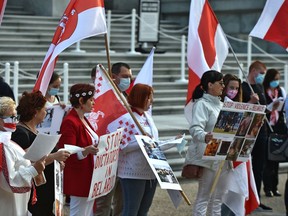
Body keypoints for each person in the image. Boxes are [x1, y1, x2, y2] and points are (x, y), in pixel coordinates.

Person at [11, 91, 70, 216]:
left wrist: (57, 163)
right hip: (35, 193)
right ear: (35, 112)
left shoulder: (33, 130)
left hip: (45, 192)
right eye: (44, 109)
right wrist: (54, 157)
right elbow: (27, 163)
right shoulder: (21, 134)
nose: (46, 112)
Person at [184, 70, 230, 215]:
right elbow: (195, 128)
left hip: (224, 154)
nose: (223, 86)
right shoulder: (202, 104)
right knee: (204, 197)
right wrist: (205, 136)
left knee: (218, 198)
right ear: (210, 85)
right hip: (209, 154)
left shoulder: (223, 105)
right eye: (220, 83)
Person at [57, 83, 99, 216]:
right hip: (79, 177)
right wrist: (85, 151)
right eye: (91, 100)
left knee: (87, 212)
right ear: (81, 101)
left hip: (88, 174)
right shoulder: (70, 121)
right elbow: (67, 153)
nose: (94, 103)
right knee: (79, 213)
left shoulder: (83, 119)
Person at [118, 83, 159, 216]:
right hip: (132, 171)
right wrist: (142, 141)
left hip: (150, 169)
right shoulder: (126, 119)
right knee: (131, 210)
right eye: (149, 97)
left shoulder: (147, 117)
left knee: (143, 210)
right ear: (140, 97)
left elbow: (153, 141)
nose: (151, 101)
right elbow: (122, 147)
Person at [0, 96, 46, 216]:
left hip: (17, 204)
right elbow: (8, 180)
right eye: (11, 117)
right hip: (9, 205)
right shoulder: (2, 145)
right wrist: (33, 169)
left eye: (16, 116)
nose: (15, 121)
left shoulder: (8, 142)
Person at [242, 60, 272, 211]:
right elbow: (241, 110)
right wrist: (250, 101)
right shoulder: (243, 87)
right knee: (246, 167)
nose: (262, 76)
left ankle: (257, 199)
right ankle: (245, 199)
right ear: (253, 70)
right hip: (248, 132)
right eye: (260, 73)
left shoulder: (259, 87)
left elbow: (264, 107)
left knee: (259, 166)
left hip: (262, 131)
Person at [262, 68, 287, 197]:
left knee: (277, 159)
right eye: (274, 79)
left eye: (278, 79)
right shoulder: (264, 90)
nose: (276, 82)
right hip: (267, 127)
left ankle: (275, 186)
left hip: (278, 126)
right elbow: (263, 108)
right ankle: (267, 188)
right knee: (268, 161)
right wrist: (271, 107)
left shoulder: (280, 90)